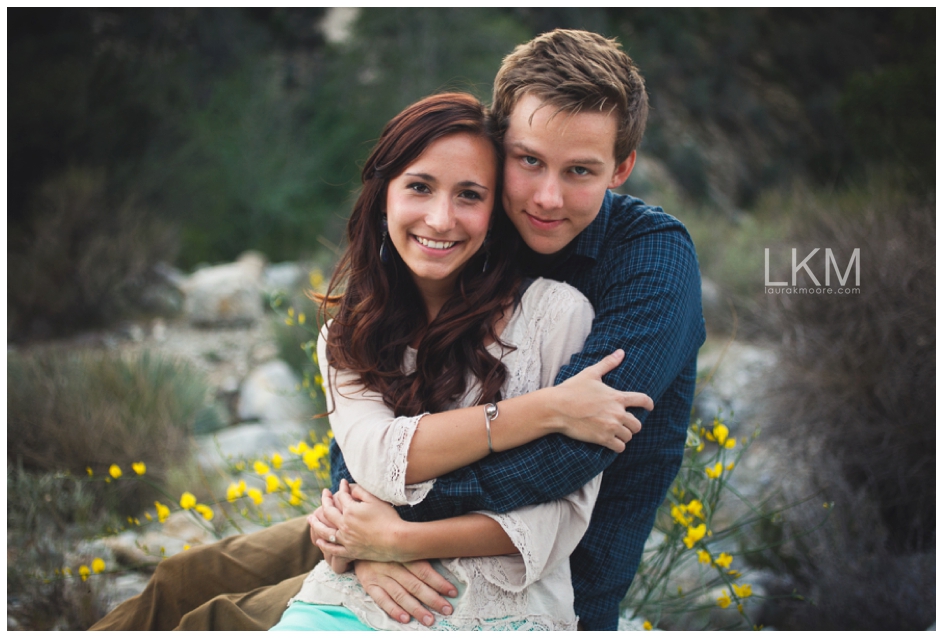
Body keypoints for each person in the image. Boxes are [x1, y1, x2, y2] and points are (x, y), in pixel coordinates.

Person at [90, 28, 704, 632]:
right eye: (528, 161)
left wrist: (390, 530)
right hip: (389, 515)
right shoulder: (469, 220)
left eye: (580, 171)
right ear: (500, 146)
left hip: (529, 572)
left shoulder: (650, 263)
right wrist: (360, 518)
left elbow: (571, 454)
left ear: (621, 168)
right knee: (179, 583)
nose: (547, 196)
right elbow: (370, 384)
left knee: (216, 621)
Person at [268, 92, 648, 630]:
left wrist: (395, 539)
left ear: (494, 214)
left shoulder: (557, 316)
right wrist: (548, 409)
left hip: (506, 609)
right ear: (383, 198)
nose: (441, 219)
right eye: (420, 187)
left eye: (469, 195)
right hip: (351, 598)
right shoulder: (345, 337)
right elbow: (377, 463)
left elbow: (561, 520)